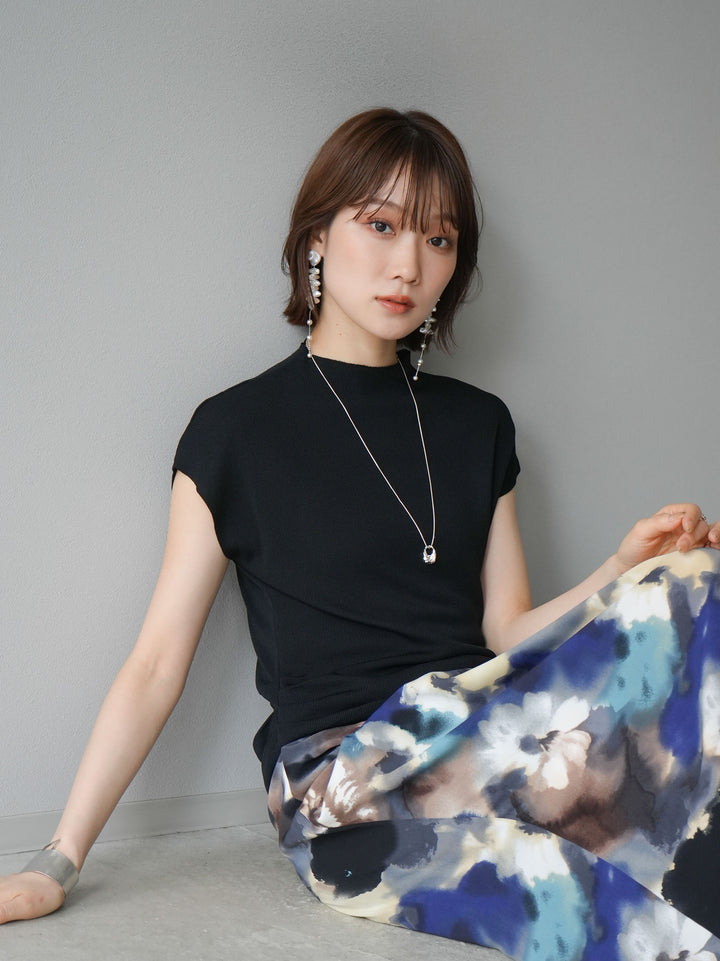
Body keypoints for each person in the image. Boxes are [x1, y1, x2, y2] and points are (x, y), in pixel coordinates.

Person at [2, 108, 719, 960]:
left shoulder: (478, 424)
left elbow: (510, 633)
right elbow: (156, 664)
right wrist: (59, 857)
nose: (409, 265)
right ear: (318, 236)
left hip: (488, 725)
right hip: (347, 780)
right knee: (607, 876)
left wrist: (626, 567)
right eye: (381, 226)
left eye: (439, 240)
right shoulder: (234, 431)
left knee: (694, 583)